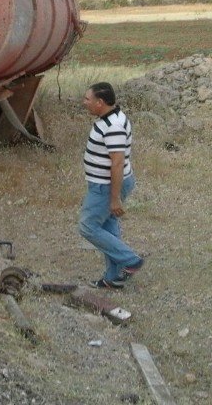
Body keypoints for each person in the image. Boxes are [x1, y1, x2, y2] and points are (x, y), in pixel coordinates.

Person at [79, 82, 144, 289]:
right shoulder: (110, 118)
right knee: (107, 225)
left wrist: (114, 198)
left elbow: (116, 162)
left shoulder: (113, 126)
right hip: (105, 185)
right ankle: (113, 277)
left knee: (88, 226)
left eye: (87, 99)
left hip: (106, 187)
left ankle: (130, 260)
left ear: (100, 102)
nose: (84, 102)